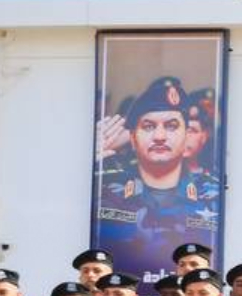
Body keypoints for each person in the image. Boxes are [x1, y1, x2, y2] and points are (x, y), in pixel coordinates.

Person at [94, 77, 222, 263]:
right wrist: (88, 162)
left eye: (171, 126)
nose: (160, 136)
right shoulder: (103, 189)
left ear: (187, 135)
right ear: (132, 137)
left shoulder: (214, 195)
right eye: (148, 127)